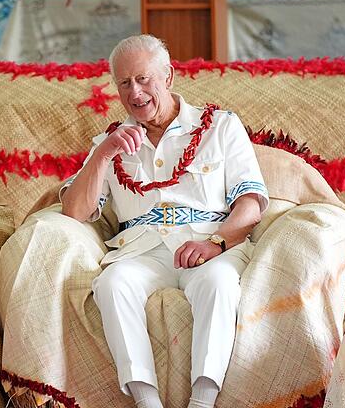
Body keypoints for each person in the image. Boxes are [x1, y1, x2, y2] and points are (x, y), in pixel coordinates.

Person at [61, 35, 268, 408]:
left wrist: (216, 244)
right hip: (142, 251)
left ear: (168, 77)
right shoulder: (109, 143)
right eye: (124, 83)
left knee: (219, 282)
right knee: (112, 283)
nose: (135, 92)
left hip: (209, 244)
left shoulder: (220, 126)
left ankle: (203, 400)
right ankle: (146, 400)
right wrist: (103, 154)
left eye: (144, 79)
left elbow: (251, 204)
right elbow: (74, 212)